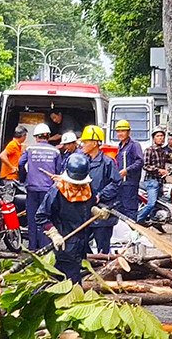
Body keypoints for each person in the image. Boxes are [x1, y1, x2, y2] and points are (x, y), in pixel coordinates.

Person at [36, 153, 94, 283]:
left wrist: (96, 211)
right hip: (62, 246)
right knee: (65, 283)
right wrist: (53, 233)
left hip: (81, 244)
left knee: (75, 279)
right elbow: (41, 216)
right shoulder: (56, 192)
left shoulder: (88, 190)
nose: (78, 187)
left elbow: (90, 205)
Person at [18, 123, 61, 250]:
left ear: (36, 137)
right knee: (46, 219)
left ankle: (32, 248)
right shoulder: (55, 151)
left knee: (32, 220)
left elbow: (21, 163)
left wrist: (23, 178)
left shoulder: (30, 149)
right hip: (49, 191)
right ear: (48, 136)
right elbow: (58, 171)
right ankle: (44, 248)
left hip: (32, 189)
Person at [80, 125, 121, 254]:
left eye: (85, 142)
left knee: (102, 248)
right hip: (85, 212)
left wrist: (100, 195)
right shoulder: (82, 162)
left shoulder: (108, 162)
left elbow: (116, 183)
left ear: (94, 143)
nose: (83, 145)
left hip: (103, 212)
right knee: (82, 244)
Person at [137, 126, 172, 224]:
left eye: (162, 136)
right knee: (151, 203)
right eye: (158, 136)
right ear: (154, 138)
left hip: (161, 182)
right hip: (151, 181)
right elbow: (145, 166)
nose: (160, 138)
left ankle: (155, 222)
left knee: (160, 204)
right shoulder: (149, 150)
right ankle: (138, 221)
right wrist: (159, 170)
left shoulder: (163, 152)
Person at [115, 120, 144, 221]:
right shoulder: (120, 147)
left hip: (130, 183)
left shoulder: (134, 145)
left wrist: (127, 170)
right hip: (121, 184)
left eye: (123, 131)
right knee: (120, 210)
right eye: (118, 131)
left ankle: (132, 233)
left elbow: (140, 161)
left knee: (130, 210)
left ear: (129, 132)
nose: (120, 134)